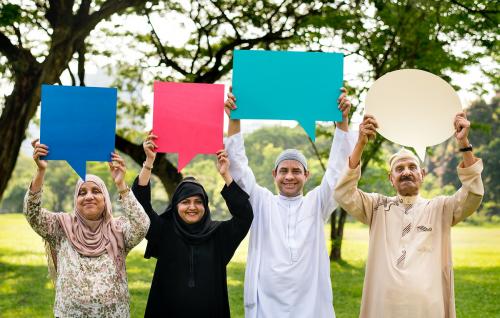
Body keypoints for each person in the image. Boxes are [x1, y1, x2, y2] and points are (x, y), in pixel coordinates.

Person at [334, 112, 484, 318]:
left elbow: (473, 194)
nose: (406, 172)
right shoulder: (376, 207)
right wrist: (360, 144)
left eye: (412, 167)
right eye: (399, 169)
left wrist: (464, 143)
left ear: (422, 175)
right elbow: (344, 193)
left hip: (428, 309)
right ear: (391, 178)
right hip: (383, 308)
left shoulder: (440, 209)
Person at [224, 87, 357, 317]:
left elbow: (337, 171)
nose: (289, 176)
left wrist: (342, 121)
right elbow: (238, 168)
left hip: (309, 302)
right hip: (267, 302)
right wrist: (235, 118)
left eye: (296, 171)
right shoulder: (261, 202)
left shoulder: (317, 203)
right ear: (274, 174)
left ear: (307, 175)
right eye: (283, 170)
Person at [24, 139, 150, 317]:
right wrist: (40, 171)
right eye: (82, 192)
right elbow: (32, 213)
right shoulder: (61, 227)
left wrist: (121, 185)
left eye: (96, 191)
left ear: (105, 198)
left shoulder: (118, 229)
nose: (89, 197)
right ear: (75, 200)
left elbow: (142, 224)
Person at [131, 134, 253, 317]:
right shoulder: (163, 231)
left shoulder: (219, 234)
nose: (192, 207)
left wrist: (226, 174)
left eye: (198, 202)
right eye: (185, 202)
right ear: (175, 206)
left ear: (205, 205)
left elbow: (244, 216)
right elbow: (140, 207)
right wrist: (149, 162)